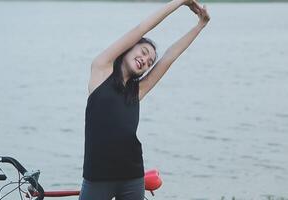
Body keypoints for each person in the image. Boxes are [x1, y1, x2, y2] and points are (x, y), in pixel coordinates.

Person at [80, 0, 210, 199]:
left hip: (131, 176)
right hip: (96, 177)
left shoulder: (138, 90)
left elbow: (169, 57)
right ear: (130, 48)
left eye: (150, 62)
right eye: (143, 52)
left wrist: (200, 25)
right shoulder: (101, 69)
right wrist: (180, 1)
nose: (146, 61)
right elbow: (143, 27)